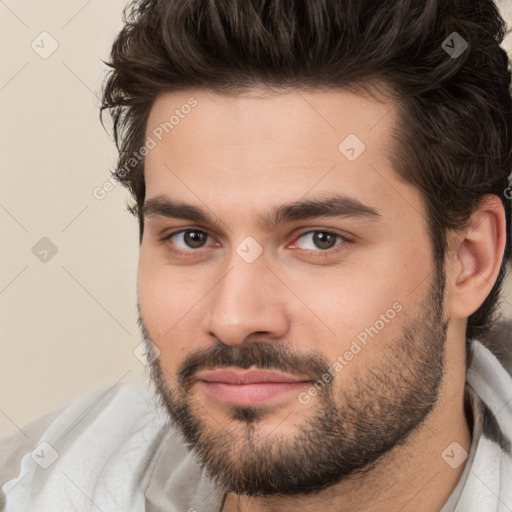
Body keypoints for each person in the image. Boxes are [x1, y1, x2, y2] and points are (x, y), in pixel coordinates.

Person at [2, 0, 512, 511]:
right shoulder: (30, 481)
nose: (232, 320)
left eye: (319, 240)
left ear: (469, 260)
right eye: (192, 238)